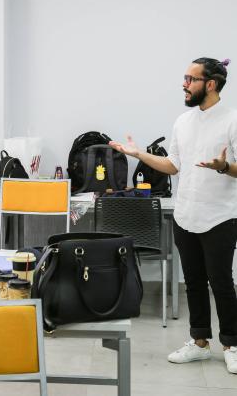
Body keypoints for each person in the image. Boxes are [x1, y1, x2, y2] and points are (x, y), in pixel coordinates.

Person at [110, 57, 237, 374]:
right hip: (186, 214)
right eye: (185, 78)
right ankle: (200, 342)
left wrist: (224, 166)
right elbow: (174, 165)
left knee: (221, 283)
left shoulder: (232, 120)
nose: (184, 84)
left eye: (190, 79)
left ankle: (232, 345)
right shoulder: (183, 122)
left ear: (210, 84)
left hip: (220, 217)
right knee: (193, 282)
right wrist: (138, 154)